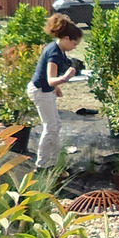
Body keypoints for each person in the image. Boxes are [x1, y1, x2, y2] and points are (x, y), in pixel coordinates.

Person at [28, 12, 83, 168]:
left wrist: (56, 88)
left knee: (55, 125)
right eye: (74, 44)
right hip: (40, 91)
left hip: (46, 90)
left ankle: (54, 159)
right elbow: (51, 79)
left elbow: (50, 80)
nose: (75, 47)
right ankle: (43, 164)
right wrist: (65, 78)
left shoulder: (58, 49)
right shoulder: (54, 53)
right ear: (66, 39)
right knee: (50, 126)